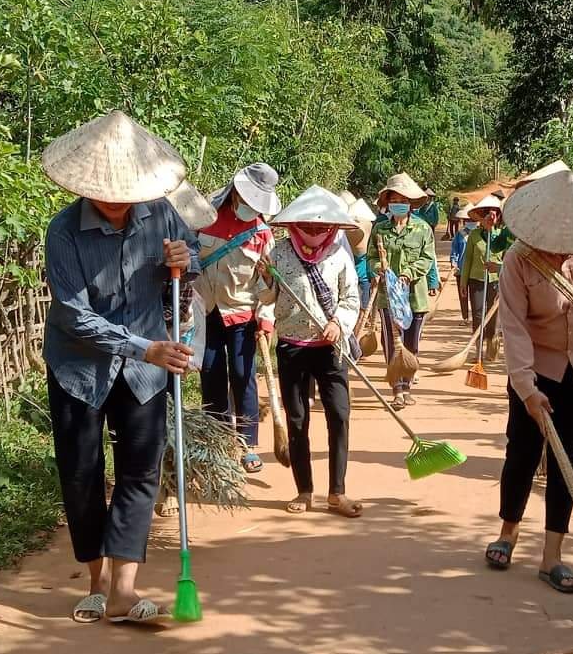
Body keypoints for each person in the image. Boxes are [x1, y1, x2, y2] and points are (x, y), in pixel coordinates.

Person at [39, 111, 198, 627]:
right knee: (82, 474)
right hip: (79, 371)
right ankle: (97, 581)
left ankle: (126, 590)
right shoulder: (63, 232)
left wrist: (184, 258)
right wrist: (145, 348)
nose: (116, 204)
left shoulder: (161, 213)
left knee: (141, 469)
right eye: (106, 195)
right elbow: (73, 315)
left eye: (125, 194)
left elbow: (190, 261)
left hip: (146, 374)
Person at [485, 170, 573, 593]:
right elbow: (513, 326)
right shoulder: (518, 260)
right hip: (536, 369)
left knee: (571, 460)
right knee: (523, 453)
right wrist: (527, 389)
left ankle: (553, 557)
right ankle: (508, 534)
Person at [262, 187, 364, 517]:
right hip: (292, 347)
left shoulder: (339, 254)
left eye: (323, 227)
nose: (316, 232)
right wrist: (263, 278)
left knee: (339, 415)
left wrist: (339, 324)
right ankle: (304, 490)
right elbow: (265, 299)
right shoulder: (278, 254)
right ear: (295, 224)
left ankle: (338, 492)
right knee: (297, 420)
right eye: (309, 226)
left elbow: (351, 299)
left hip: (330, 349)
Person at [196, 163, 280, 475]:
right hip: (206, 311)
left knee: (243, 376)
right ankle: (217, 442)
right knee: (211, 374)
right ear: (235, 193)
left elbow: (269, 285)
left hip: (243, 315)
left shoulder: (261, 234)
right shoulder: (203, 219)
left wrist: (266, 319)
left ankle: (247, 445)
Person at [371, 172, 437, 409]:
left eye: (403, 200)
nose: (399, 204)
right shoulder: (379, 230)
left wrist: (408, 273)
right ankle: (397, 389)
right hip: (388, 297)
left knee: (411, 343)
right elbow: (371, 258)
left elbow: (427, 258)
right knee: (391, 341)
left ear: (410, 203)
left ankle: (407, 385)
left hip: (414, 297)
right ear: (388, 202)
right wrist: (380, 269)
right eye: (394, 200)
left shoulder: (422, 229)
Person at [459, 194, 504, 353]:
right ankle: (478, 348)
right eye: (487, 213)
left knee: (493, 314)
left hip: (496, 281)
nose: (490, 217)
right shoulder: (474, 235)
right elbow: (467, 259)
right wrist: (463, 283)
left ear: (499, 216)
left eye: (494, 213)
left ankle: (492, 343)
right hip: (476, 280)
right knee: (478, 314)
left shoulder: (502, 236)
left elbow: (508, 260)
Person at [450, 205, 471, 322]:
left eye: (472, 220)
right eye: (468, 220)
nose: (470, 222)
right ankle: (465, 317)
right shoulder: (460, 234)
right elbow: (455, 250)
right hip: (461, 269)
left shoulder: (481, 233)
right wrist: (454, 262)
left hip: (474, 271)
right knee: (463, 294)